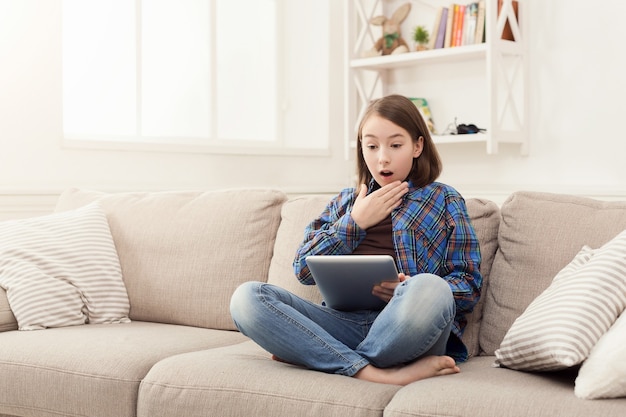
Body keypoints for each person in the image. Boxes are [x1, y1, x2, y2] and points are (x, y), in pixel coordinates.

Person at [230, 94, 482, 386]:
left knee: (431, 288)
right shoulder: (346, 202)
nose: (382, 157)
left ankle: (317, 354)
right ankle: (372, 372)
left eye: (395, 145)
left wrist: (407, 288)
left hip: (408, 326)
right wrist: (354, 222)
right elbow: (302, 269)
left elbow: (469, 285)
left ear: (417, 146)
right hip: (342, 324)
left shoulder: (443, 199)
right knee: (247, 298)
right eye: (371, 146)